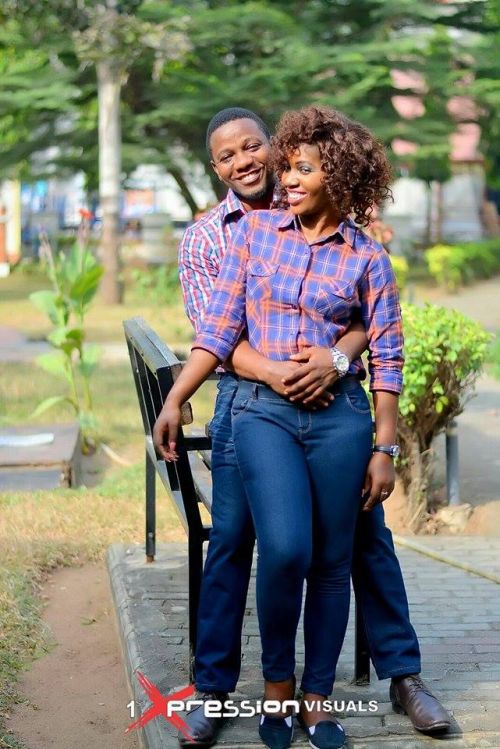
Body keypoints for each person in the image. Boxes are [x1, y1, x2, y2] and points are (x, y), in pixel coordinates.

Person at [164, 107, 451, 746]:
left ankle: (402, 675)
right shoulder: (214, 236)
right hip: (247, 401)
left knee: (361, 535)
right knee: (238, 536)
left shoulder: (346, 229)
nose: (247, 162)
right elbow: (218, 330)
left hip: (329, 405)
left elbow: (363, 319)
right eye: (228, 155)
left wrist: (337, 359)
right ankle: (213, 690)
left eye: (255, 147)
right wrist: (274, 372)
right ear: (215, 168)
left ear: (276, 147)